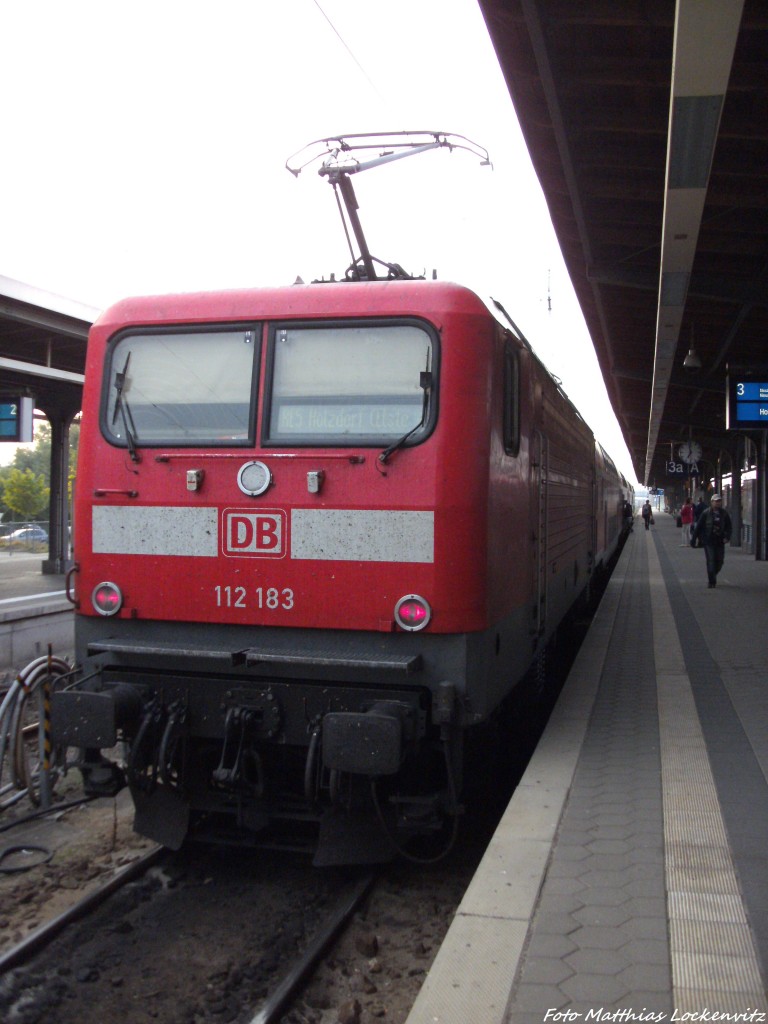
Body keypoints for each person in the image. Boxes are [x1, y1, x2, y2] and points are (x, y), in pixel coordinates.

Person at [690, 494, 732, 588]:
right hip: (708, 541)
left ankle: (713, 574)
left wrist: (727, 537)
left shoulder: (724, 514)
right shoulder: (706, 513)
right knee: (711, 561)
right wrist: (693, 539)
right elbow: (699, 527)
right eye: (716, 501)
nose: (717, 503)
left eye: (719, 501)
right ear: (712, 502)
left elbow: (729, 527)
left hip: (720, 541)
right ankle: (711, 581)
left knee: (720, 561)